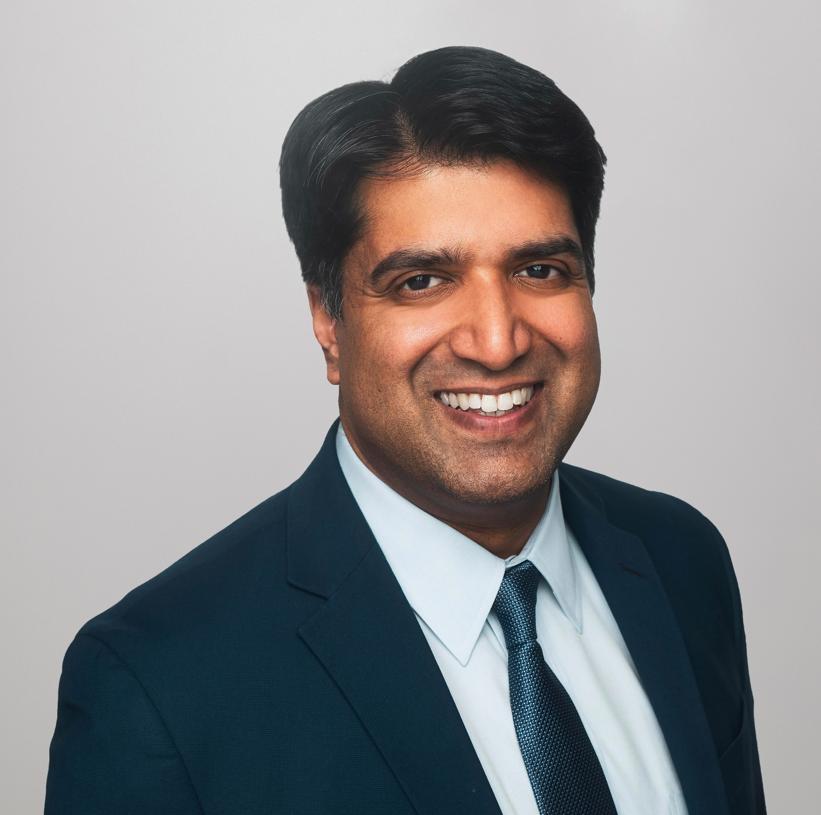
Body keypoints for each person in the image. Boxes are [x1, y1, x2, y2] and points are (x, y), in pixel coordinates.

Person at [45, 46, 766, 815]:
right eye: (421, 281)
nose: (497, 341)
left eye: (539, 270)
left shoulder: (679, 559)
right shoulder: (157, 686)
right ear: (328, 320)